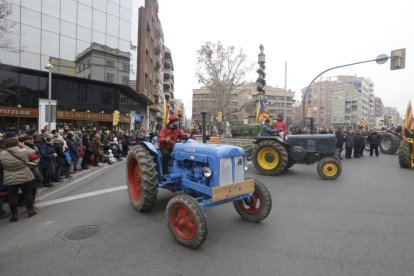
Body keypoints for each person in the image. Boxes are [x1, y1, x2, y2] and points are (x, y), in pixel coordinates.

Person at [0, 132, 37, 222]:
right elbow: (33, 151)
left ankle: (14, 215)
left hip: (10, 176)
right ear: (16, 143)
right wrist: (21, 145)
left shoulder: (2, 154)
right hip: (24, 174)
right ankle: (30, 210)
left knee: (12, 197)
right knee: (27, 193)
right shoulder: (22, 151)